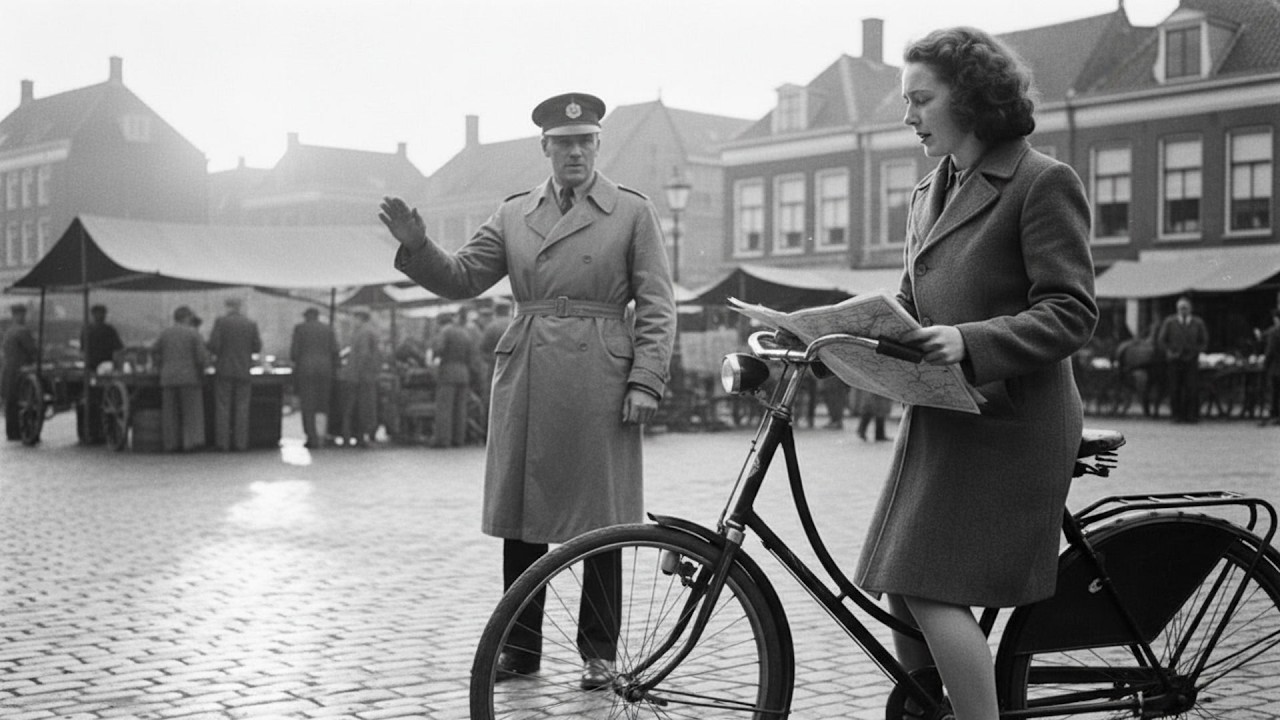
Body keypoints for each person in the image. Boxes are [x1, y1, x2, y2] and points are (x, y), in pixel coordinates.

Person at [379, 92, 676, 690]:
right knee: (524, 514)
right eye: (563, 143)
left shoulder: (630, 212)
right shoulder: (515, 214)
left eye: (585, 141)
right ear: (545, 148)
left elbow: (657, 304)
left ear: (598, 145)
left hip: (601, 373)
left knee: (603, 521)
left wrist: (645, 378)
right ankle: (520, 646)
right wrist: (418, 246)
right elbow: (463, 276)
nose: (575, 152)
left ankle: (598, 651)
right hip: (530, 372)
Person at [852, 28, 1098, 720]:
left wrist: (968, 340)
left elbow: (1072, 312)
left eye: (921, 99)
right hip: (945, 417)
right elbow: (907, 305)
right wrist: (829, 336)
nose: (908, 117)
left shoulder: (1042, 182)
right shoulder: (932, 188)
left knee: (926, 585)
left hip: (1010, 422)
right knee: (903, 584)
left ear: (970, 96)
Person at [207, 296, 262, 451]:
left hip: (224, 369)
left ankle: (223, 443)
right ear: (240, 306)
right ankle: (240, 443)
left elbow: (214, 345)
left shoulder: (221, 322)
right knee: (242, 408)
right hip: (244, 370)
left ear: (227, 306)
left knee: (223, 407)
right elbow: (257, 347)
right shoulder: (250, 324)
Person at [153, 306, 210, 452]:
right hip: (189, 378)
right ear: (188, 317)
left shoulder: (165, 333)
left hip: (168, 378)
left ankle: (171, 444)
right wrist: (204, 368)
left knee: (170, 413)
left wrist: (160, 367)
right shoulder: (193, 334)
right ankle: (190, 443)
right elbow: (201, 357)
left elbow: (155, 351)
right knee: (191, 413)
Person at [290, 307, 339, 449]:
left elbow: (294, 353)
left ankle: (311, 437)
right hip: (325, 371)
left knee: (308, 406)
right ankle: (321, 435)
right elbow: (335, 351)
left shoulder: (300, 329)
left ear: (306, 317)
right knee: (322, 405)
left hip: (306, 372)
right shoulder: (328, 329)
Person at [1156, 296, 1209, 424]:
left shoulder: (1198, 323)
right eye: (1180, 308)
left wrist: (1196, 351)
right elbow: (1161, 340)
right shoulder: (1170, 322)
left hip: (1191, 360)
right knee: (1175, 388)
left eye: (1185, 308)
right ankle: (1176, 416)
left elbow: (1204, 341)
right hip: (1175, 360)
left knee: (1191, 388)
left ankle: (1192, 416)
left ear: (1190, 309)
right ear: (1177, 309)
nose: (1183, 311)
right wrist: (1170, 352)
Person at [79, 304, 126, 444]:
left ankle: (90, 433)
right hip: (105, 368)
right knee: (100, 401)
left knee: (91, 400)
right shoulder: (109, 330)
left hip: (91, 368)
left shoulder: (86, 329)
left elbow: (82, 350)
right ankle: (100, 432)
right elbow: (119, 349)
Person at [430, 309, 476, 448]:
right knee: (460, 409)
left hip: (448, 372)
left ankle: (443, 440)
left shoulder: (445, 332)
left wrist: (433, 358)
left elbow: (438, 349)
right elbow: (471, 354)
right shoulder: (464, 332)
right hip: (463, 373)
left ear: (440, 322)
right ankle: (458, 439)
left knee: (445, 408)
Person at [2, 304, 39, 441]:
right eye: (21, 314)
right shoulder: (22, 331)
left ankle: (12, 433)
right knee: (19, 401)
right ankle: (22, 431)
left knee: (11, 402)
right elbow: (32, 350)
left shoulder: (9, 331)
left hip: (8, 370)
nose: (23, 317)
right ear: (16, 315)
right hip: (20, 370)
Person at [345, 309, 381, 447]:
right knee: (364, 406)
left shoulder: (364, 332)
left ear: (360, 318)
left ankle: (360, 436)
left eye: (354, 318)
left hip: (361, 376)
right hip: (365, 375)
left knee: (360, 407)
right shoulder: (367, 331)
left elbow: (364, 354)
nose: (353, 321)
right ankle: (361, 435)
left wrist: (357, 372)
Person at [1261, 309, 1280, 427]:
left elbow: (1270, 351)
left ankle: (1275, 415)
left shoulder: (1274, 332)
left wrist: (1265, 365)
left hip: (1276, 367)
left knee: (1275, 392)